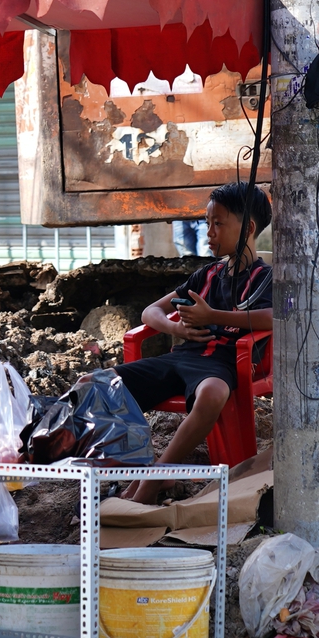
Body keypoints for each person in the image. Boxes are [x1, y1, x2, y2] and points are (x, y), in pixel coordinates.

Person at [115, 181, 272, 504]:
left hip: (221, 363)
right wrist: (180, 331)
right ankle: (139, 468)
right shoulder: (207, 274)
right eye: (207, 223)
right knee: (97, 384)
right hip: (181, 357)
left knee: (213, 393)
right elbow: (151, 311)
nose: (209, 232)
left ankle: (154, 479)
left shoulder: (265, 278)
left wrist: (213, 315)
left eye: (218, 224)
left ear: (249, 228)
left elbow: (275, 318)